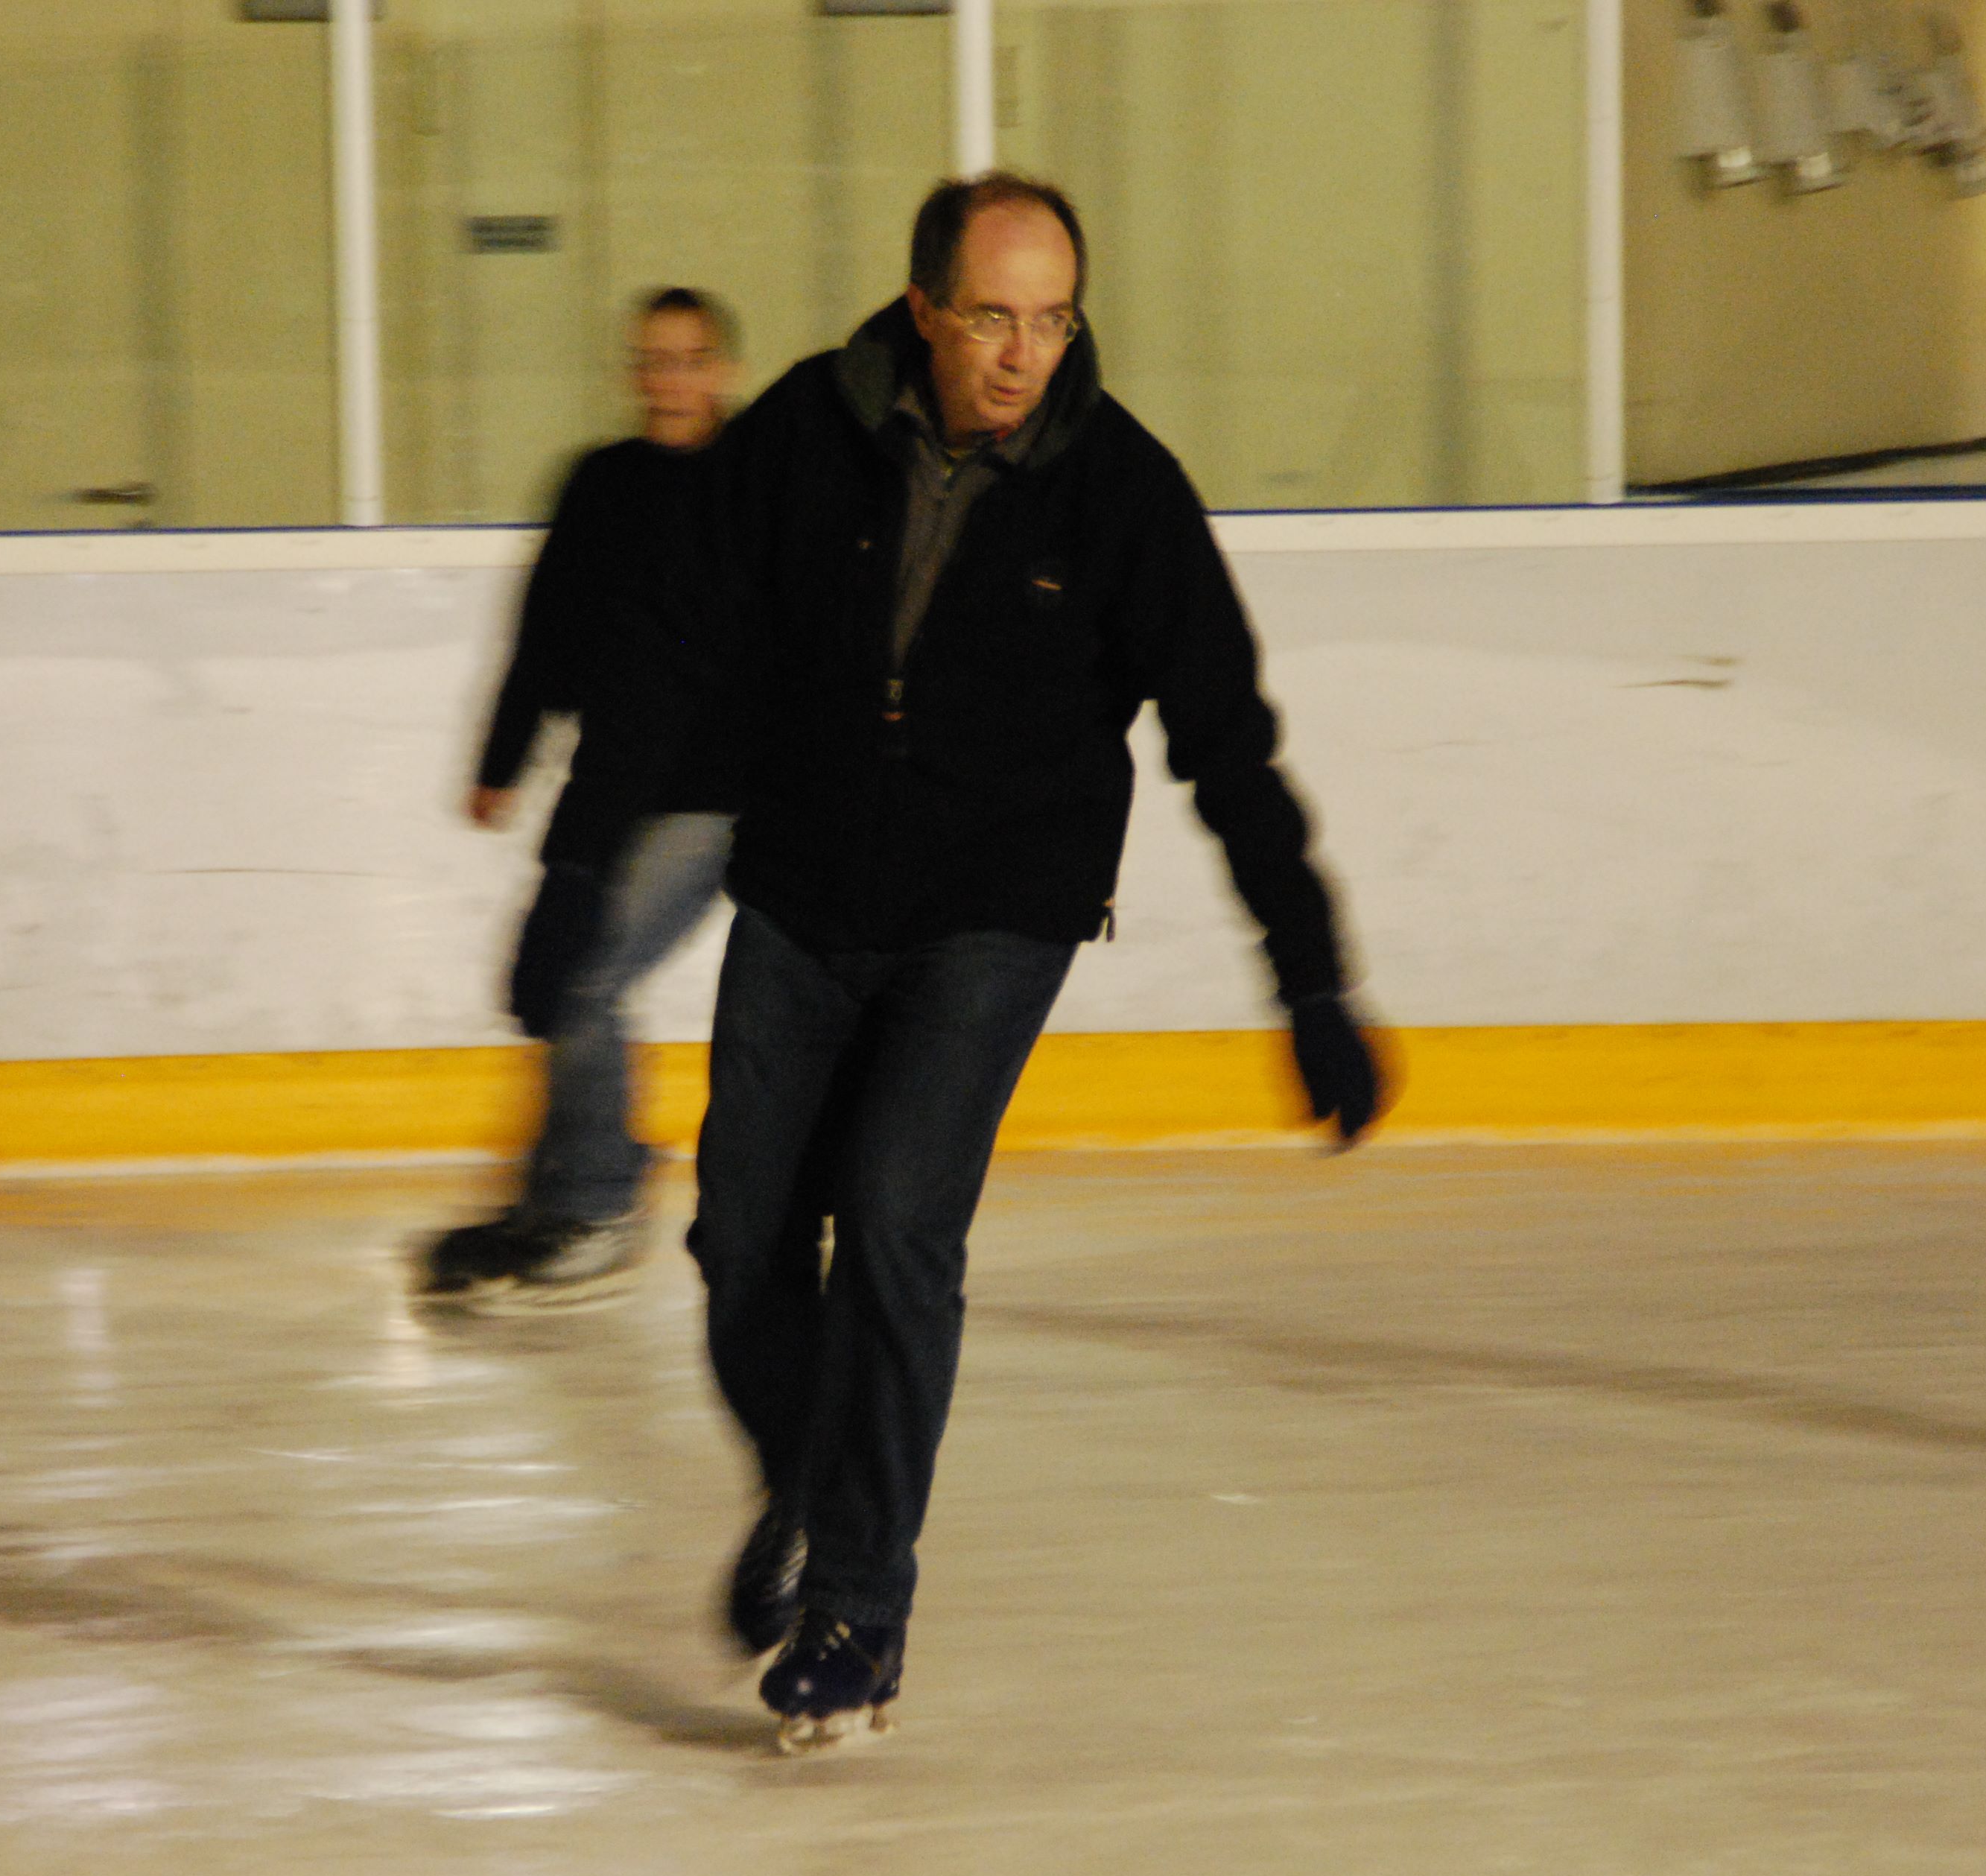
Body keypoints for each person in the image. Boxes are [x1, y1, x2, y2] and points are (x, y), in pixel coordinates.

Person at [510, 174, 1391, 1751]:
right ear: (924, 309)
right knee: (739, 1253)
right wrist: (579, 871)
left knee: (903, 1231)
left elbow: (1227, 746)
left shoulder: (1121, 495)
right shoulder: (801, 434)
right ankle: (810, 1481)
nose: (1023, 354)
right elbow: (667, 646)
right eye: (994, 316)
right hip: (798, 893)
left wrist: (1310, 977)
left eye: (1053, 320)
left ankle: (857, 1612)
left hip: (996, 912)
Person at [421, 287, 744, 1308]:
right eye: (653, 360)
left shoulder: (761, 487)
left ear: (722, 371)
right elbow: (547, 634)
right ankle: (552, 1196)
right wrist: (502, 761)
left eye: (690, 359)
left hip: (716, 798)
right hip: (609, 791)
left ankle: (602, 1203)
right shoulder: (602, 485)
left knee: (590, 979)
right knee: (554, 979)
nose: (670, 379)